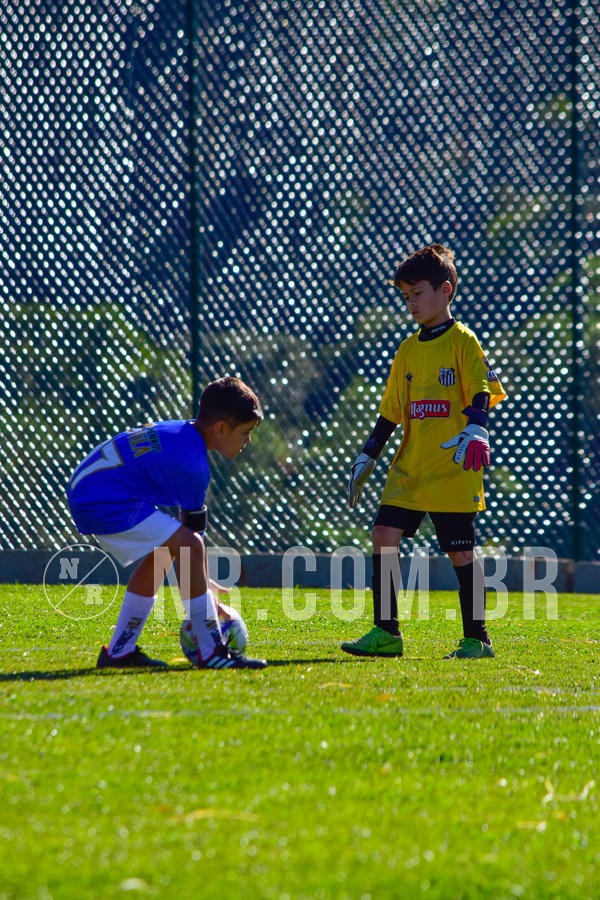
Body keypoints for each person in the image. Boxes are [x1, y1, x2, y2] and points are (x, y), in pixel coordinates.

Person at [342, 244, 506, 660]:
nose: (410, 303)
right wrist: (369, 453)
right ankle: (387, 632)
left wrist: (477, 425)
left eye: (417, 293)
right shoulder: (407, 350)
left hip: (453, 467)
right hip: (410, 469)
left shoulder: (463, 341)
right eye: (405, 296)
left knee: (459, 551)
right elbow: (391, 411)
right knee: (383, 534)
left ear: (445, 290)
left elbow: (481, 389)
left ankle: (478, 639)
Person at [67, 376, 267, 670]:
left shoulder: (182, 434)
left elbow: (189, 538)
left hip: (89, 492)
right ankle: (212, 651)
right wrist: (206, 596)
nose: (248, 441)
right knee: (185, 546)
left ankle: (119, 651)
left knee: (164, 554)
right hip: (101, 500)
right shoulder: (192, 465)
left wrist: (202, 582)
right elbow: (192, 543)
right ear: (221, 429)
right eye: (246, 432)